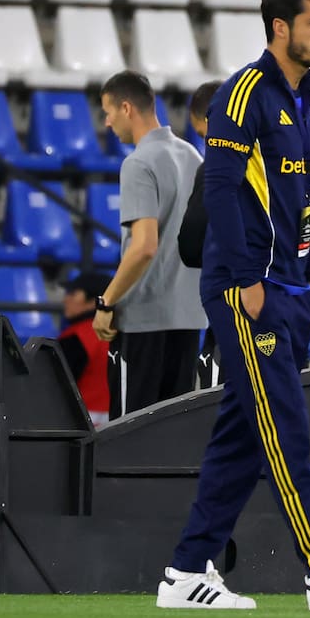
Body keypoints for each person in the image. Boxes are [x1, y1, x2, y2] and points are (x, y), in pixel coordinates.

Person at [157, 0, 310, 611]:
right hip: (248, 290)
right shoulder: (244, 94)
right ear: (279, 28)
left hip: (292, 288)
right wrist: (245, 280)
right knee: (285, 423)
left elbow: (307, 200)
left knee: (245, 430)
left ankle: (187, 573)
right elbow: (223, 191)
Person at [93, 71, 207, 419]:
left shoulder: (138, 163)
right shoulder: (193, 157)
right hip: (189, 319)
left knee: (129, 437)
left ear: (126, 107)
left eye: (109, 113)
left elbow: (144, 247)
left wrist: (106, 301)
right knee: (170, 438)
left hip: (143, 321)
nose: (108, 124)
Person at [178, 80, 224, 389]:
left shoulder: (215, 168)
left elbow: (191, 245)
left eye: (204, 135)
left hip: (233, 306)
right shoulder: (281, 162)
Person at [57, 272, 112, 425]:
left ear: (92, 300)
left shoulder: (77, 337)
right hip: (118, 428)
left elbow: (55, 388)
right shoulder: (125, 334)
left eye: (73, 293)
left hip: (78, 428)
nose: (65, 299)